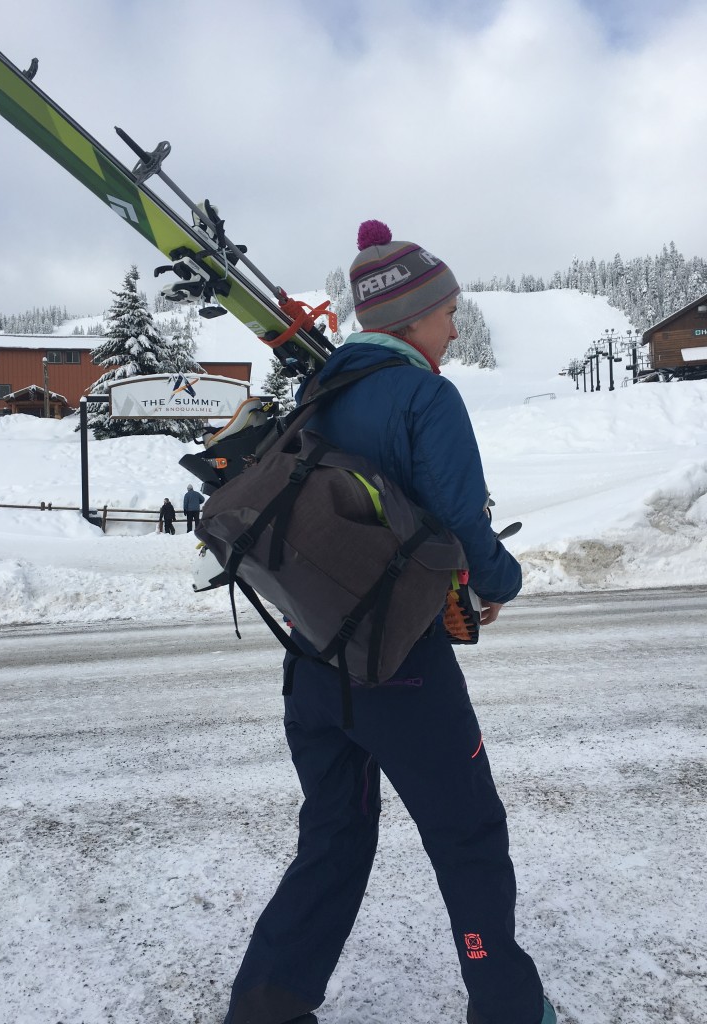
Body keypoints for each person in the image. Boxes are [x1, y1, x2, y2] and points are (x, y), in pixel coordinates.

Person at [222, 221, 556, 1024]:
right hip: (401, 662)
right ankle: (508, 1007)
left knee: (334, 837)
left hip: (312, 654)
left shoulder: (322, 389)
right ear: (410, 318)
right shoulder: (424, 395)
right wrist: (502, 579)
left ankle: (267, 1005)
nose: (453, 325)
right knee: (468, 834)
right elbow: (462, 523)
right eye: (446, 312)